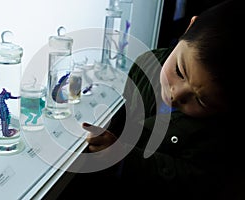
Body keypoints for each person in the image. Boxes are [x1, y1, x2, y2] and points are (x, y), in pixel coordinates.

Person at [56, 0, 244, 199]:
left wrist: (123, 157)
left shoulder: (220, 138)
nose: (174, 95)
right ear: (189, 27)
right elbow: (128, 116)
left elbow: (190, 181)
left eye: (201, 101)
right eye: (179, 71)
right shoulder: (146, 66)